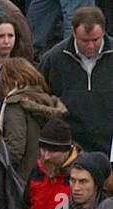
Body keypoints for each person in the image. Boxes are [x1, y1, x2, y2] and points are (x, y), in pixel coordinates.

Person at [39, 6, 113, 155]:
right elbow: (40, 99)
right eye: (85, 40)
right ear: (73, 33)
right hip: (71, 148)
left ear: (104, 32)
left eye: (95, 40)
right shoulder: (54, 59)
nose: (91, 45)